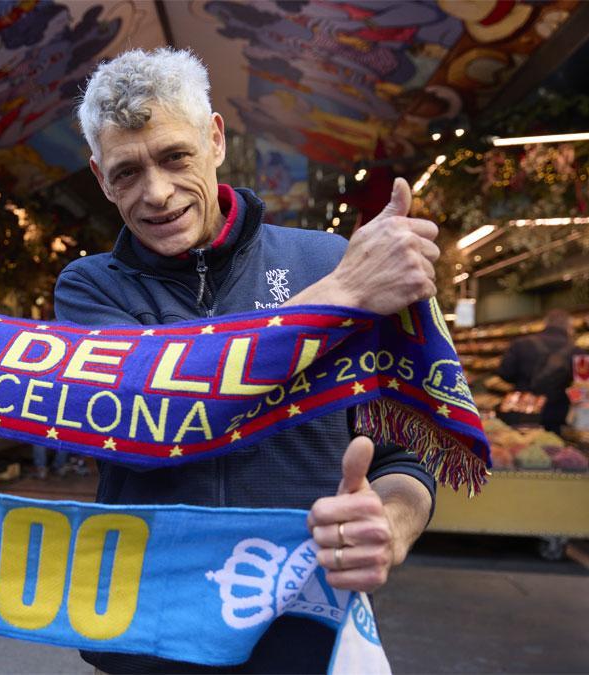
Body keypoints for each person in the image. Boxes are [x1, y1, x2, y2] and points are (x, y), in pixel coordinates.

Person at [54, 48, 438, 673]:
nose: (156, 193)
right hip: (150, 634)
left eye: (175, 157)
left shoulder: (324, 260)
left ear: (215, 139)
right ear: (101, 177)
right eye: (127, 172)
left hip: (304, 627)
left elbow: (402, 458)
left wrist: (391, 526)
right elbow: (147, 405)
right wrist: (336, 298)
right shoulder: (91, 287)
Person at [493, 309, 576, 431]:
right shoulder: (577, 351)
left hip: (522, 410)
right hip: (558, 413)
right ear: (569, 327)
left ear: (545, 323)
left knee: (521, 440)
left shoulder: (520, 344)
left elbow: (504, 373)